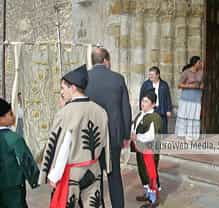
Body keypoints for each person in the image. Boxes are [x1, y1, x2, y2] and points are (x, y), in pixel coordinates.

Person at [38, 65, 111, 208]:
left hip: (72, 173)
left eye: (63, 88)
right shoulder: (101, 110)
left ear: (73, 88)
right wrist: (106, 166)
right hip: (94, 169)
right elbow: (104, 142)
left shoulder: (66, 113)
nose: (61, 92)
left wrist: (54, 175)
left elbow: (63, 147)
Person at [85, 47, 132, 208]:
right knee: (114, 175)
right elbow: (126, 108)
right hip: (113, 135)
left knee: (95, 176)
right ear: (106, 61)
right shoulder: (118, 79)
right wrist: (126, 135)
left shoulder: (84, 79)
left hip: (91, 137)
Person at [0, 98, 39, 208]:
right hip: (13, 186)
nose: (13, 116)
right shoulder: (14, 138)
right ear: (1, 118)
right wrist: (35, 179)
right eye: (10, 114)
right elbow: (25, 160)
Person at [131, 91, 162, 208]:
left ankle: (153, 199)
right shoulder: (140, 114)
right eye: (142, 101)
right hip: (140, 148)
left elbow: (152, 136)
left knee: (150, 173)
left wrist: (137, 136)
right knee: (142, 171)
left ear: (153, 104)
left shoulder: (155, 118)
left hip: (149, 151)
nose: (142, 103)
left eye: (146, 101)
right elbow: (134, 126)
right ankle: (147, 193)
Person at [175, 56, 203, 141]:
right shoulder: (186, 72)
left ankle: (192, 135)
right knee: (185, 116)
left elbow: (202, 83)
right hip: (186, 98)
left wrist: (202, 86)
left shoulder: (201, 72)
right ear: (195, 63)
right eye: (199, 62)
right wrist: (190, 86)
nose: (201, 64)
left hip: (196, 98)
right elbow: (179, 85)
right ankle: (182, 134)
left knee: (194, 117)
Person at [139, 66, 172, 134]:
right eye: (149, 74)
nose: (150, 76)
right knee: (150, 128)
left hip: (161, 109)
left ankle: (161, 142)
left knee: (162, 128)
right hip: (150, 109)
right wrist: (142, 108)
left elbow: (168, 97)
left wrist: (168, 110)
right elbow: (141, 97)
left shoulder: (164, 84)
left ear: (158, 75)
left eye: (152, 75)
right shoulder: (146, 84)